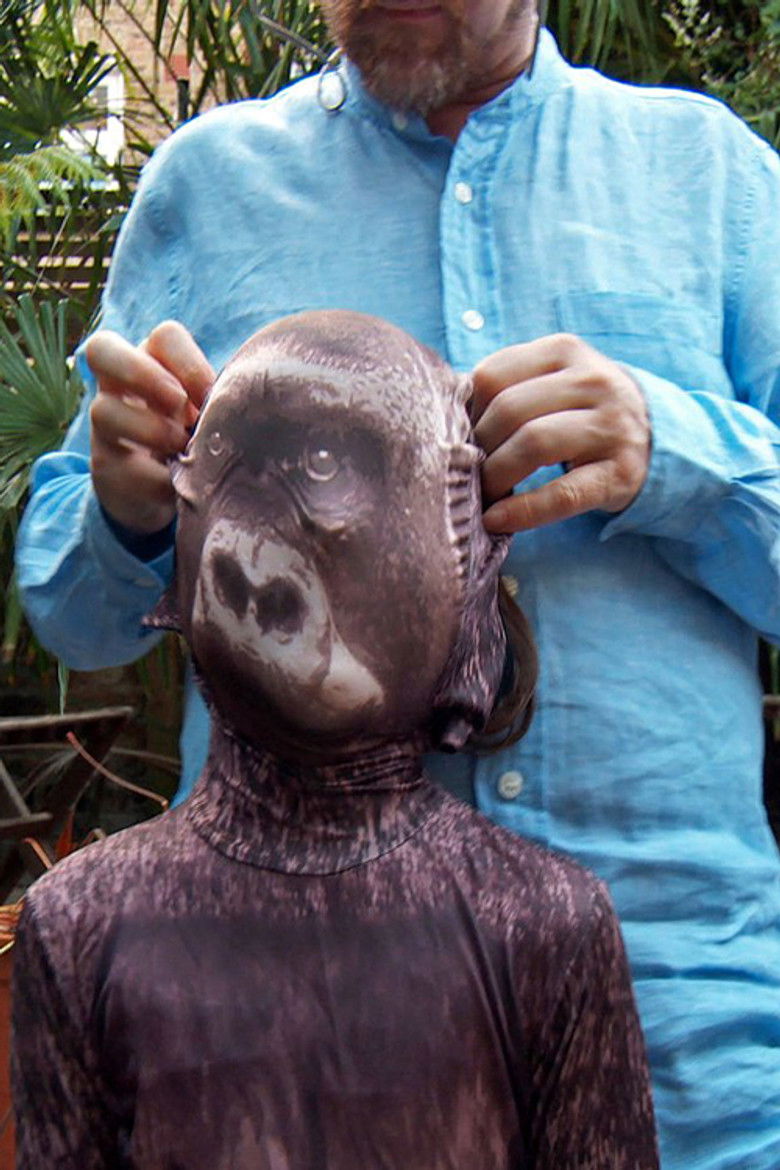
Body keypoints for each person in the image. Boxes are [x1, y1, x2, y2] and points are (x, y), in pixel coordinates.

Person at [13, 0, 780, 1166]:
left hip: (693, 1048)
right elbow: (76, 620)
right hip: (281, 1080)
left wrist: (677, 456)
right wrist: (126, 510)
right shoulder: (208, 190)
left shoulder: (709, 175)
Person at [12, 311, 659, 1169]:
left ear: (466, 569)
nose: (260, 547)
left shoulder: (547, 926)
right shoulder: (78, 921)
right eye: (231, 461)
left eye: (322, 468)